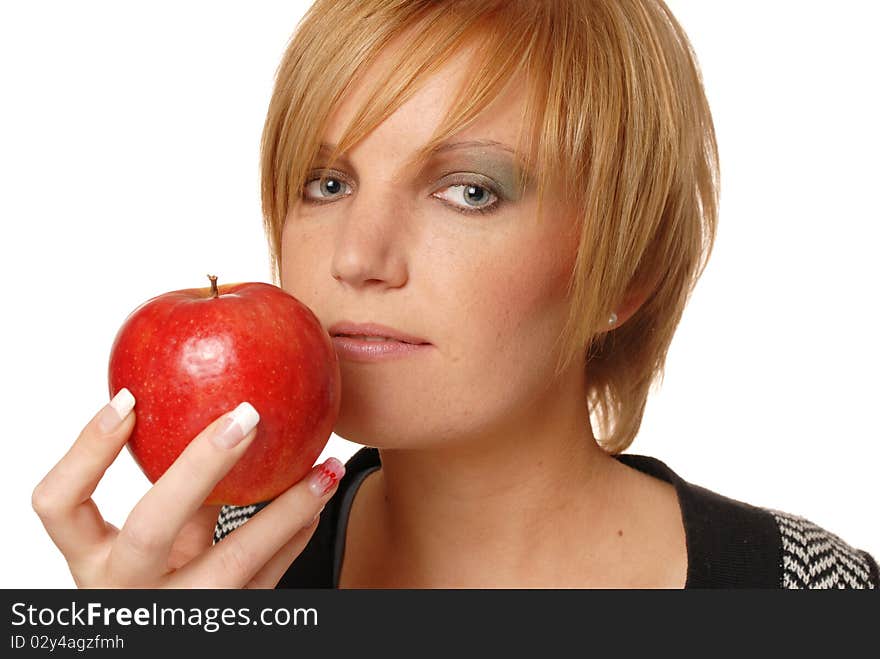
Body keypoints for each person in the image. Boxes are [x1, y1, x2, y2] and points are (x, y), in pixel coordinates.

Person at [34, 0, 878, 589]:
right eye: (328, 183)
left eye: (471, 191)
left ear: (626, 274)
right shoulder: (218, 572)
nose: (359, 257)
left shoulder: (810, 592)